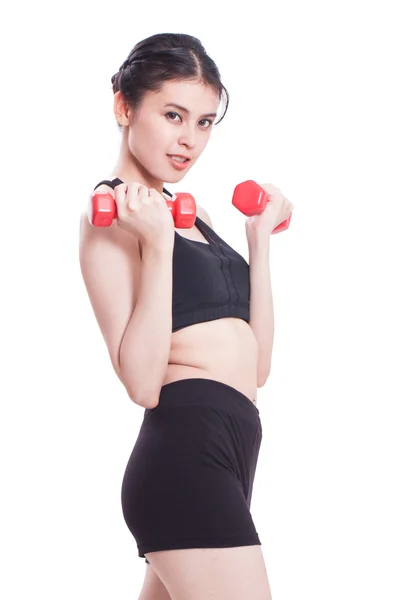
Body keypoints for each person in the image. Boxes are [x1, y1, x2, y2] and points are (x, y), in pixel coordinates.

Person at [79, 32, 290, 600]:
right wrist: (159, 246)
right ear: (124, 105)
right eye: (173, 115)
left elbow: (258, 366)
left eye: (204, 122)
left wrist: (259, 243)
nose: (189, 140)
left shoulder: (192, 218)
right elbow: (143, 383)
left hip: (235, 447)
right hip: (185, 454)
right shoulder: (113, 218)